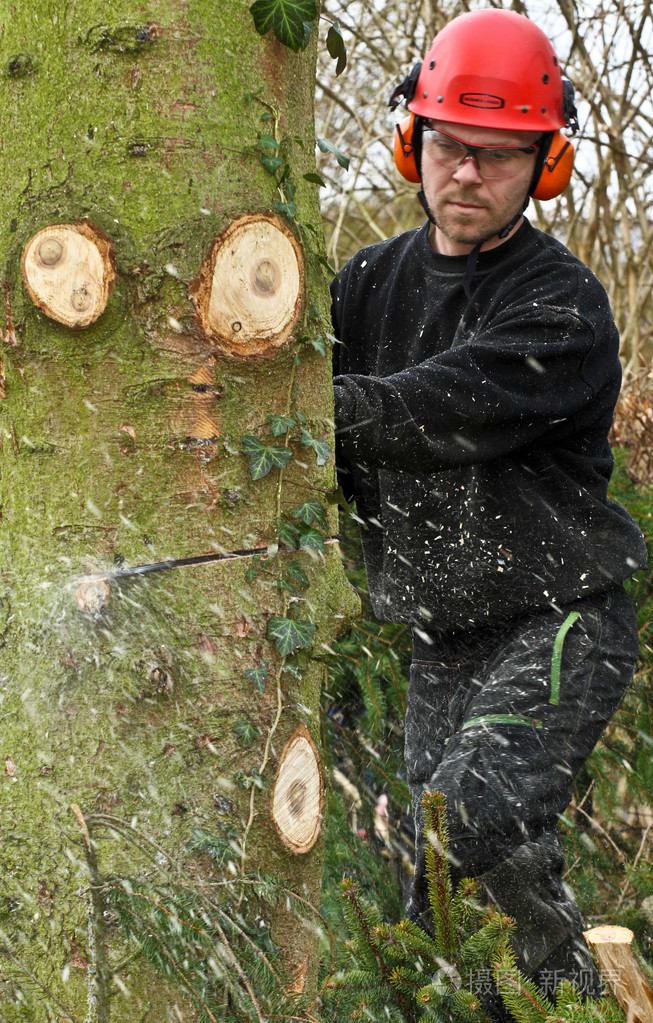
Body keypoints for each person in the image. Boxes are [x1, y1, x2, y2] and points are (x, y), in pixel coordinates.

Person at [330, 8, 647, 1007]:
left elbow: (432, 409)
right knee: (441, 877)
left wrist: (297, 412)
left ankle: (554, 1002)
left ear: (543, 165)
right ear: (411, 142)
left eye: (498, 155)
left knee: (463, 815)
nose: (466, 174)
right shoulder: (363, 285)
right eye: (449, 146)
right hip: (441, 635)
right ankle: (534, 998)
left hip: (557, 619)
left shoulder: (560, 305)